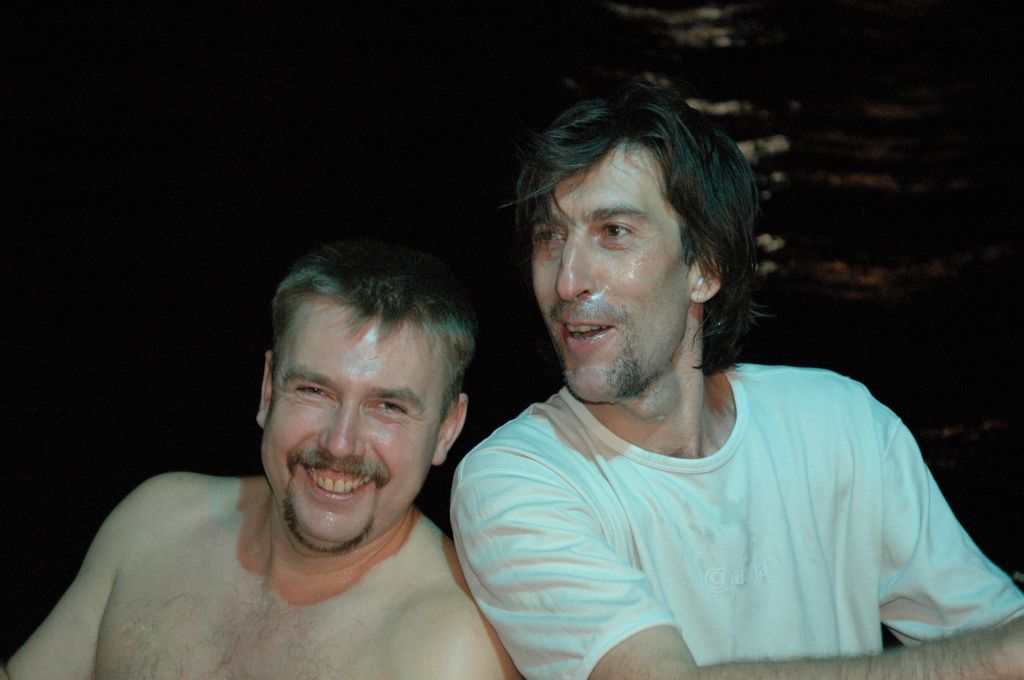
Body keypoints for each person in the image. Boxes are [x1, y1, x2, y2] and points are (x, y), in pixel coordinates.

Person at [450, 80, 1024, 679]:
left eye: (613, 232)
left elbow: (999, 632)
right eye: (550, 237)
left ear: (704, 268)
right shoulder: (515, 480)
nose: (567, 281)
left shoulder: (841, 424)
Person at [4, 239, 519, 680]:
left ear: (447, 429)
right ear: (269, 389)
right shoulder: (155, 519)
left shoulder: (451, 647)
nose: (340, 444)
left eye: (388, 407)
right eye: (314, 390)